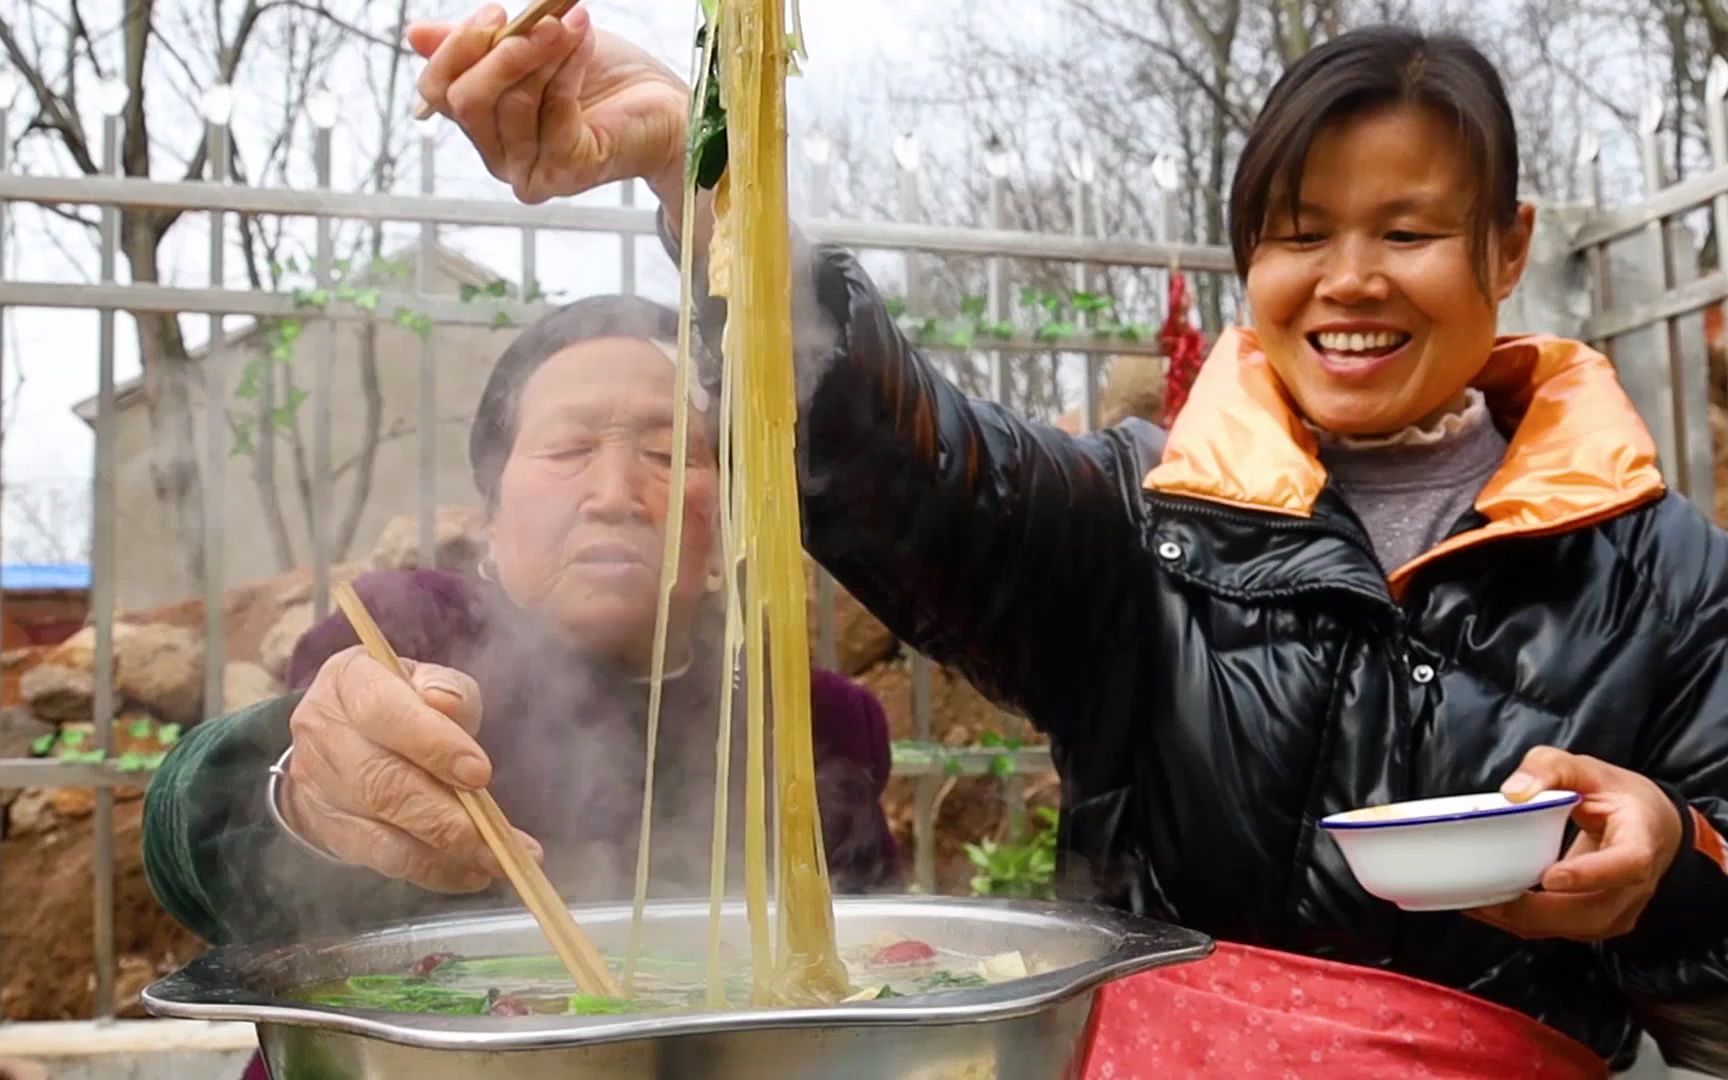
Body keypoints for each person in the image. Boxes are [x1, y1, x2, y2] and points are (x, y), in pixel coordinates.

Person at [406, 8, 1728, 1077]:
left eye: (1409, 230)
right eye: (1300, 233)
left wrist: (1670, 870)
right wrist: (704, 185)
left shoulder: (1661, 573)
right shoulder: (1140, 527)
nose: (1349, 279)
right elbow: (904, 463)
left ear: (1507, 247)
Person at [142, 293, 900, 943]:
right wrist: (303, 798)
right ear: (492, 519)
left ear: (726, 520)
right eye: (568, 448)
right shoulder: (409, 635)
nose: (614, 493)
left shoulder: (811, 722)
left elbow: (868, 960)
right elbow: (201, 828)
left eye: (670, 454)